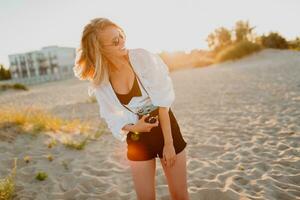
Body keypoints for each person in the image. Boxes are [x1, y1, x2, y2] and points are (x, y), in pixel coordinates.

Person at [73, 17, 189, 200]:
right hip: (138, 138)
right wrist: (135, 128)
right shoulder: (101, 82)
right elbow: (112, 118)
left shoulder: (142, 58)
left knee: (179, 196)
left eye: (121, 35)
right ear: (100, 50)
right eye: (115, 41)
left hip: (167, 130)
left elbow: (163, 103)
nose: (122, 42)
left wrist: (168, 144)